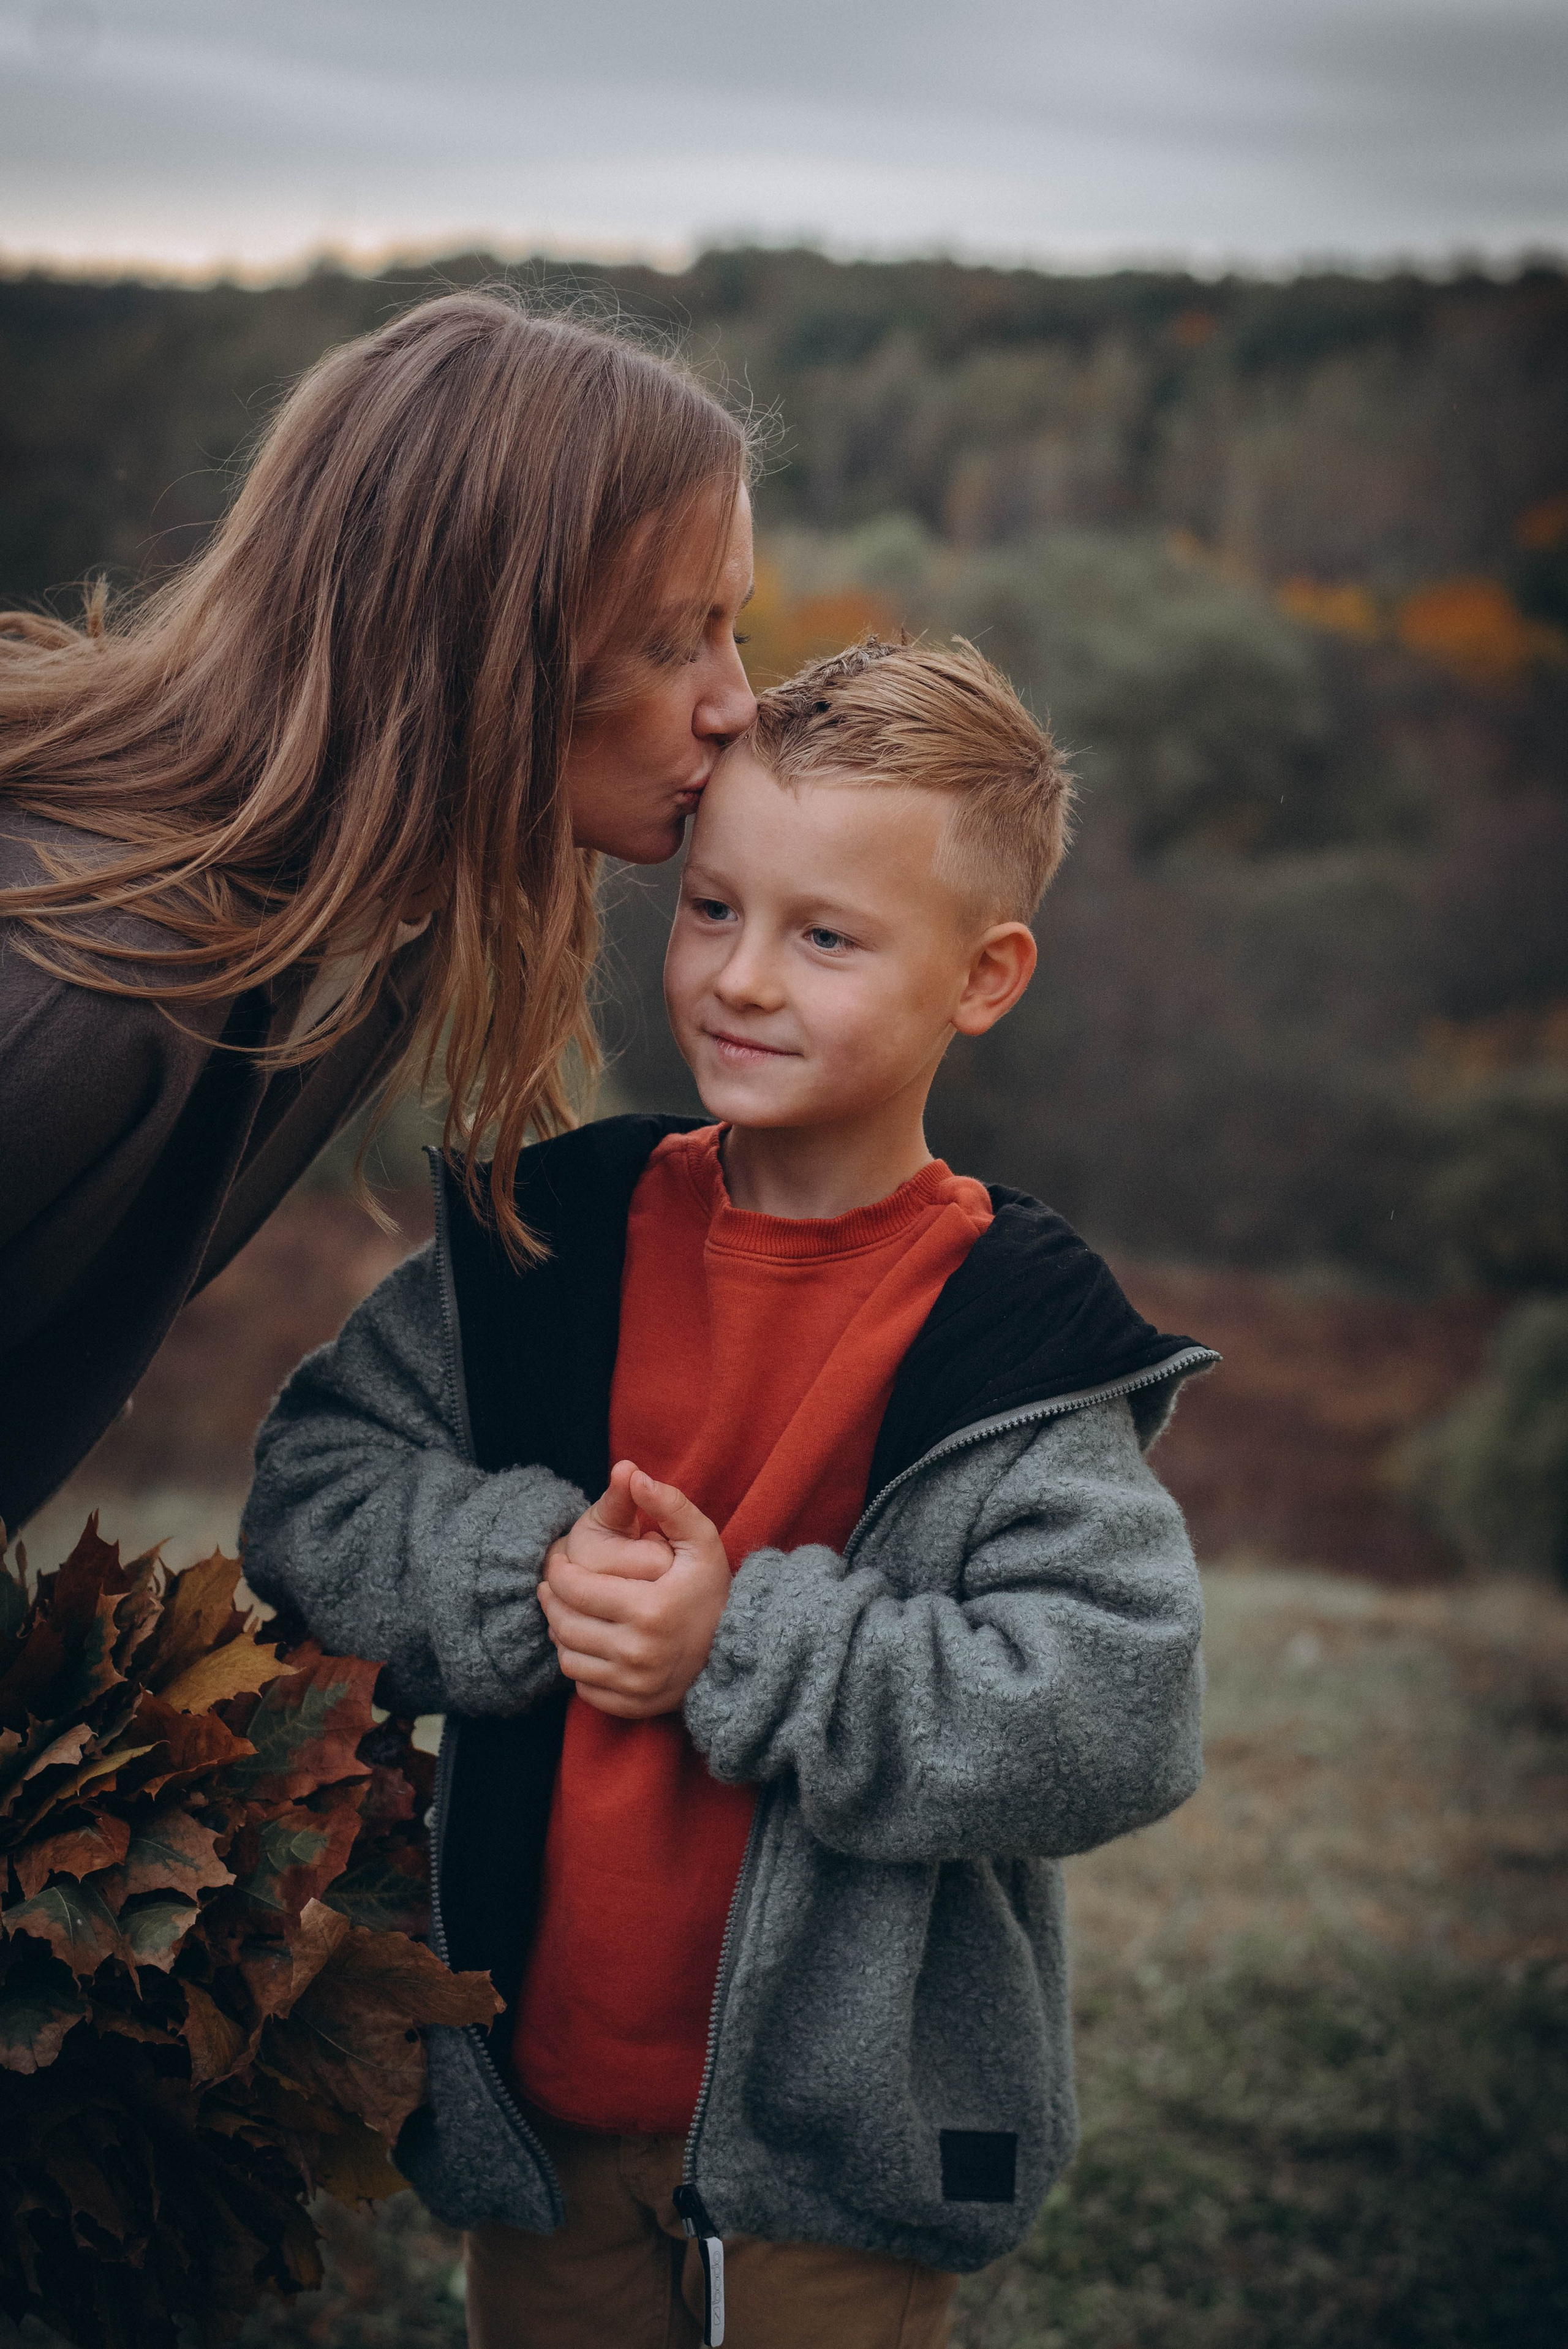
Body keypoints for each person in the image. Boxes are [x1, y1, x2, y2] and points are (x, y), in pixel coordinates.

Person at [241, 637, 1216, 2349]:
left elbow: (1118, 1707)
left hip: (842, 2160)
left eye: (826, 936)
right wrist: (525, 1564)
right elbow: (315, 1490)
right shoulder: (538, 1243)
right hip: (527, 2111)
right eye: (710, 910)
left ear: (985, 977)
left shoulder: (1015, 1333)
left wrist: (735, 1645)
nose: (741, 979)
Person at [0, 289, 757, 1538]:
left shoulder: (360, 943)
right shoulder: (87, 992)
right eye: (678, 640)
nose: (735, 702)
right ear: (479, 647)